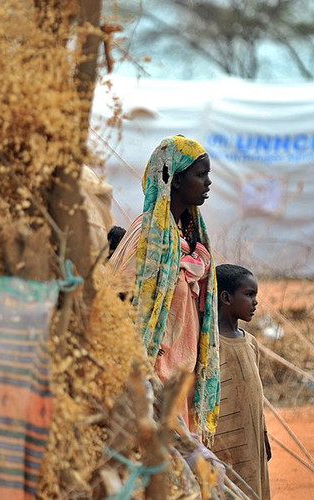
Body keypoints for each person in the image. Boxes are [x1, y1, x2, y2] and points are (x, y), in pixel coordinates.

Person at [108, 135, 220, 441]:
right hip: (152, 377)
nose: (208, 183)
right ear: (174, 178)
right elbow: (114, 299)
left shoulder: (192, 240)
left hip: (182, 379)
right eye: (201, 175)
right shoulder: (147, 236)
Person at [213, 264, 271, 499]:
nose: (255, 302)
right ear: (226, 297)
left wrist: (264, 433)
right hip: (223, 444)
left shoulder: (251, 343)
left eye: (255, 295)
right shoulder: (210, 345)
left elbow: (257, 396)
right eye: (249, 294)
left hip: (253, 438)